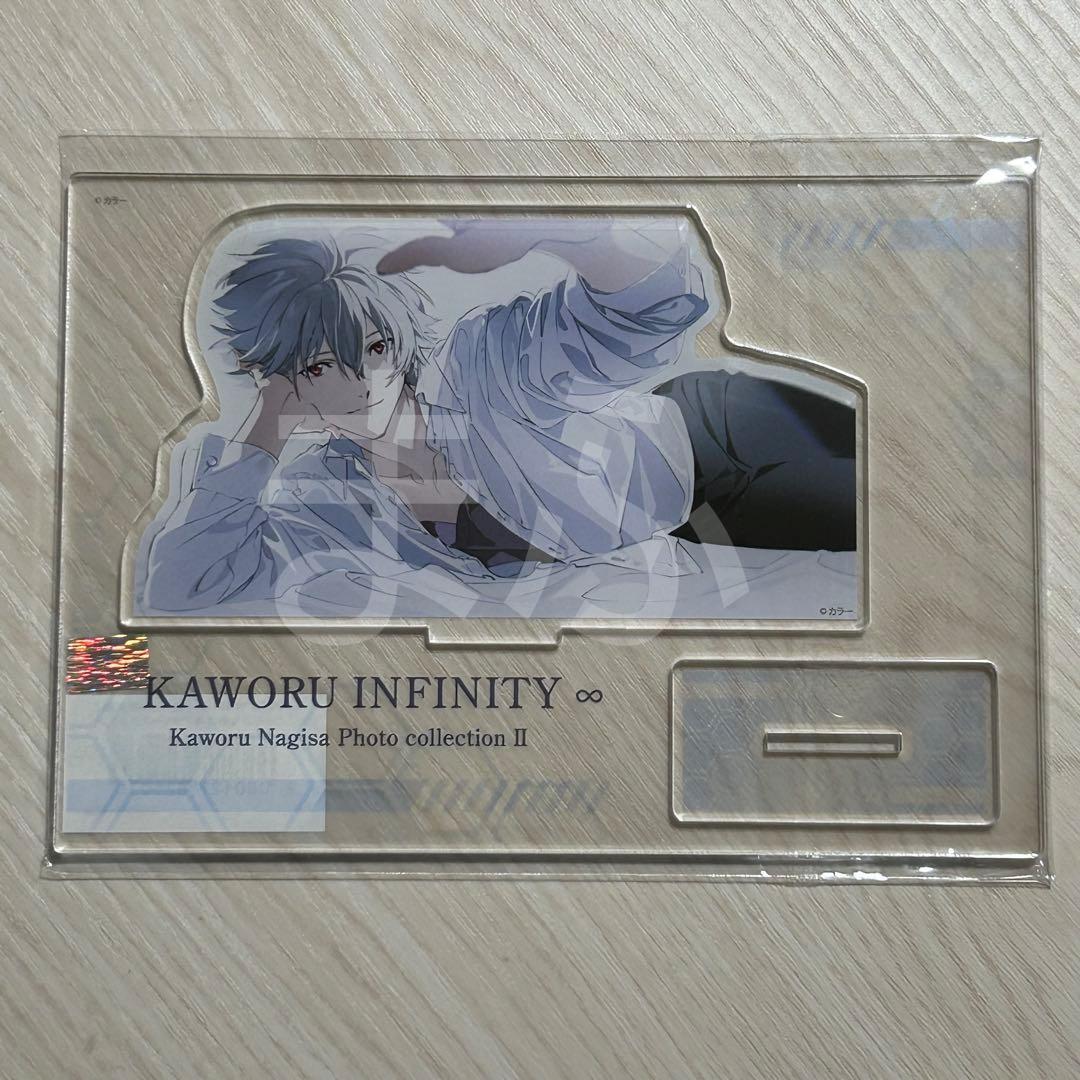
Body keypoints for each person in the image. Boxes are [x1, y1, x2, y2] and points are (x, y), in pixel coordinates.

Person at [137, 218, 715, 615]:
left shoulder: (482, 362)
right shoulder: (320, 496)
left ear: (399, 338)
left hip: (713, 450)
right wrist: (265, 425)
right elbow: (180, 586)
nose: (364, 382)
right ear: (281, 382)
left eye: (375, 347)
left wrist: (567, 238)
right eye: (319, 367)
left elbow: (653, 309)